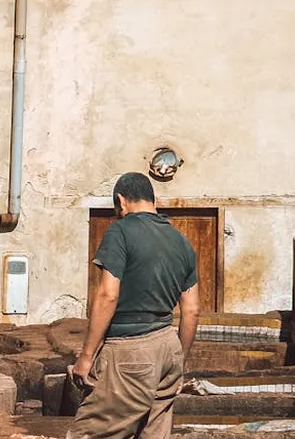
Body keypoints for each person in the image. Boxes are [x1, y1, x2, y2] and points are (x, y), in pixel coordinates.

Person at [67, 172, 200, 438]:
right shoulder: (181, 241)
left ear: (121, 201)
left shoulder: (120, 231)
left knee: (90, 433)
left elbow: (108, 295)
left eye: (117, 209)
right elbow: (192, 310)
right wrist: (179, 362)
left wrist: (87, 356)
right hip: (169, 348)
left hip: (130, 351)